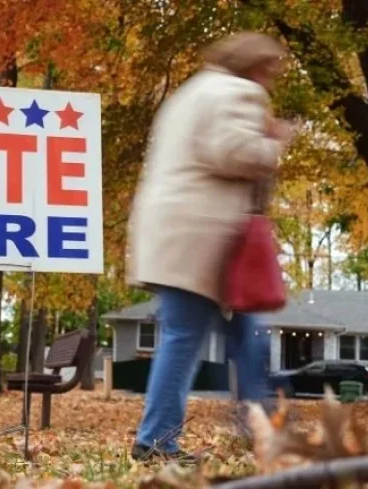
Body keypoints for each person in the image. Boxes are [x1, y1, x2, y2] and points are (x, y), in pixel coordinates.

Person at [126, 32, 296, 463]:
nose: (272, 82)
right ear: (256, 68)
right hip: (205, 236)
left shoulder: (190, 92)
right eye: (271, 72)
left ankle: (263, 428)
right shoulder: (238, 92)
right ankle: (158, 441)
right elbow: (231, 151)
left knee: (242, 335)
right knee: (193, 336)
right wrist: (274, 142)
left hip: (175, 231)